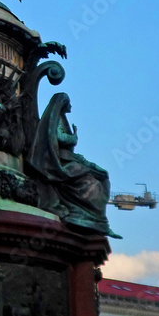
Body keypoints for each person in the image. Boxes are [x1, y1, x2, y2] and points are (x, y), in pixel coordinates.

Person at [26, 92, 119, 237]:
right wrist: (74, 138)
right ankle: (92, 218)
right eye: (69, 103)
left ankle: (100, 221)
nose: (71, 106)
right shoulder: (56, 119)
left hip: (71, 159)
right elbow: (59, 137)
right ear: (63, 104)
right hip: (62, 162)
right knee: (92, 183)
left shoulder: (61, 119)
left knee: (103, 175)